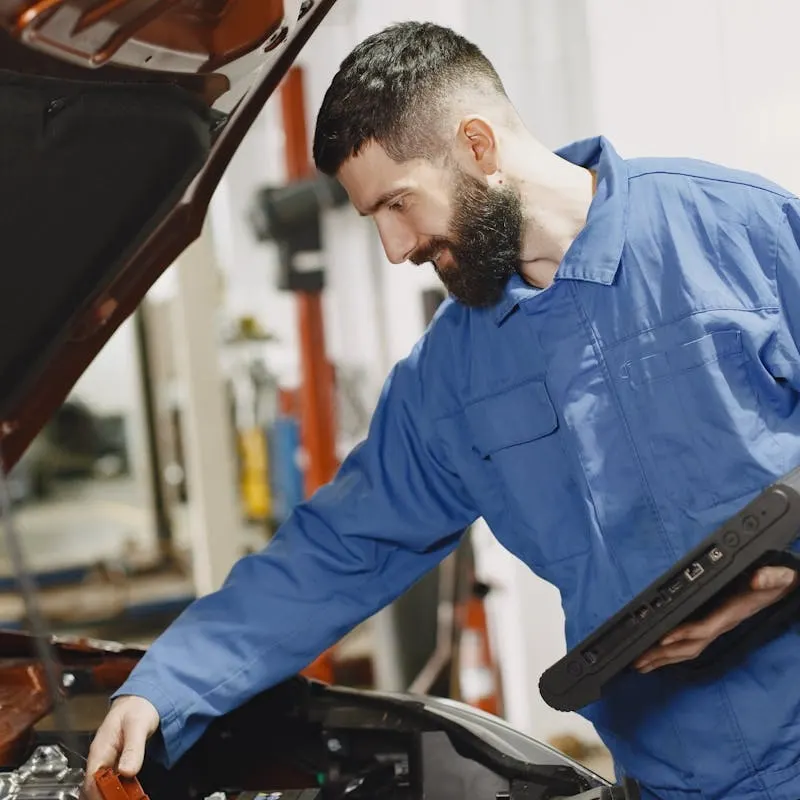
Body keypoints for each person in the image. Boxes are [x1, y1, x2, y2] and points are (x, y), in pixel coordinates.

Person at [86, 21, 800, 800]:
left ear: (477, 147)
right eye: (374, 220)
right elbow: (339, 549)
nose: (395, 249)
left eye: (398, 204)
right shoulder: (449, 379)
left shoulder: (736, 234)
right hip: (680, 778)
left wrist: (786, 581)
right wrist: (165, 684)